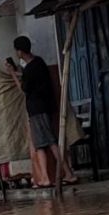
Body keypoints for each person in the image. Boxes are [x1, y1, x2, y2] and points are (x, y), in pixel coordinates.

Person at [9, 35, 77, 188]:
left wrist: (12, 74)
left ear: (20, 52)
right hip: (45, 108)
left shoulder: (30, 69)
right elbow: (30, 78)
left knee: (44, 144)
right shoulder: (38, 62)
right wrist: (19, 73)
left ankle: (54, 177)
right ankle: (62, 174)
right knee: (49, 142)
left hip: (36, 110)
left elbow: (23, 89)